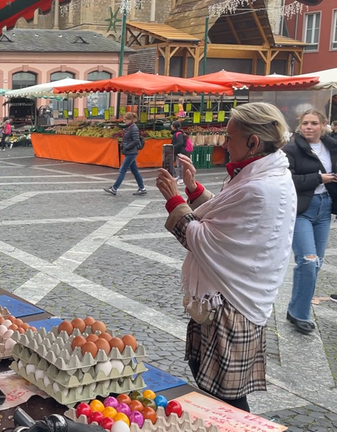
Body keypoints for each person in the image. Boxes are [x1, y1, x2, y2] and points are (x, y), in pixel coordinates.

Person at [155, 102, 296, 412]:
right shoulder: (266, 173)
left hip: (230, 302)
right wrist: (193, 190)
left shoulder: (259, 187)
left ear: (253, 142)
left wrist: (174, 200)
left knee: (226, 397)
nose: (223, 143)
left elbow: (204, 240)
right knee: (213, 383)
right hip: (228, 297)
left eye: (229, 137)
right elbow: (225, 215)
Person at [282, 109, 337, 334]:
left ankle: (296, 309)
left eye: (314, 123)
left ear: (323, 125)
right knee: (308, 260)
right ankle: (300, 315)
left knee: (317, 263)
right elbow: (287, 179)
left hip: (324, 209)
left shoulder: (332, 147)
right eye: (305, 123)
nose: (308, 127)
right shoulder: (292, 148)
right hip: (302, 209)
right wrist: (318, 178)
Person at [104, 112, 146, 196]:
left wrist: (127, 147)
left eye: (125, 119)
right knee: (135, 171)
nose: (124, 121)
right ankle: (142, 188)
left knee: (122, 170)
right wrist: (123, 145)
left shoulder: (133, 128)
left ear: (130, 119)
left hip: (131, 152)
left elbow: (136, 141)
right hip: (130, 151)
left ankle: (114, 188)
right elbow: (128, 139)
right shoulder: (129, 128)